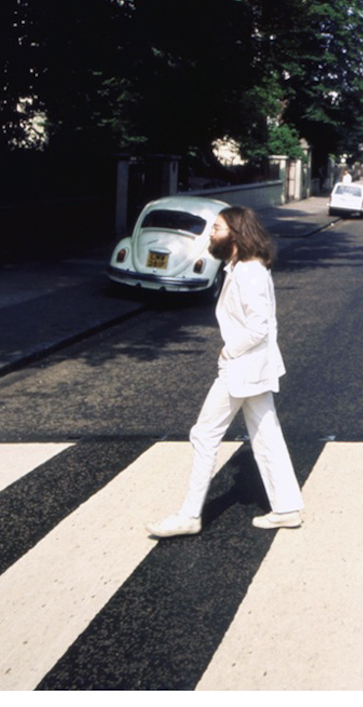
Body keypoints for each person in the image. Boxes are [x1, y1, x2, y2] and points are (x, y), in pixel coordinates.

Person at [147, 206, 304, 537]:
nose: (211, 233)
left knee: (204, 434)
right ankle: (287, 507)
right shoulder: (240, 267)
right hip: (252, 368)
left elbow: (259, 326)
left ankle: (190, 515)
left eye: (217, 228)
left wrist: (228, 351)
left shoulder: (249, 272)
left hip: (241, 368)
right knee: (266, 434)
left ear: (236, 234)